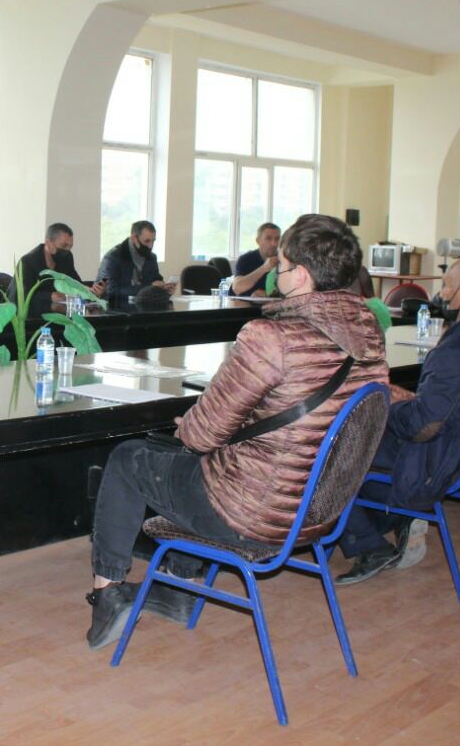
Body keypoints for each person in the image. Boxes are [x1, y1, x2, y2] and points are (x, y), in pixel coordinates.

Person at [85, 215, 387, 650]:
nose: (277, 271)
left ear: (301, 275)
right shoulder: (369, 335)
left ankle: (106, 592)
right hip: (315, 512)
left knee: (129, 459)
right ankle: (179, 589)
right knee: (191, 464)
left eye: (281, 264)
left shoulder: (272, 337)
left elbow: (200, 438)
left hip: (253, 514)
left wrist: (194, 425)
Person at [335, 257, 460, 584]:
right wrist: (414, 400)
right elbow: (453, 404)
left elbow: (423, 427)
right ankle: (395, 518)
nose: (440, 295)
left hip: (433, 458)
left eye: (446, 286)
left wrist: (385, 404)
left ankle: (368, 545)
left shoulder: (457, 349)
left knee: (332, 447)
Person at [10, 223, 107, 317]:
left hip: (60, 316)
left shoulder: (67, 257)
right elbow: (20, 297)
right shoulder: (28, 262)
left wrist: (92, 292)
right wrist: (51, 296)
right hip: (28, 318)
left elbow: (75, 284)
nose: (67, 251)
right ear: (48, 243)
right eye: (64, 246)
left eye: (70, 247)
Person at [96, 220, 175, 305]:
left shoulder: (151, 258)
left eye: (153, 241)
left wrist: (165, 289)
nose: (151, 246)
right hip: (116, 309)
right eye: (147, 241)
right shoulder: (113, 258)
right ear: (134, 238)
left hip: (145, 308)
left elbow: (156, 281)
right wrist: (148, 287)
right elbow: (110, 291)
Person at [231, 222, 280, 296]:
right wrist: (264, 268)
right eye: (268, 238)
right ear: (258, 241)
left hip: (274, 302)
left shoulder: (285, 259)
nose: (274, 243)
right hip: (244, 302)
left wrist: (267, 295)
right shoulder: (246, 259)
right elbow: (237, 288)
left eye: (277, 239)